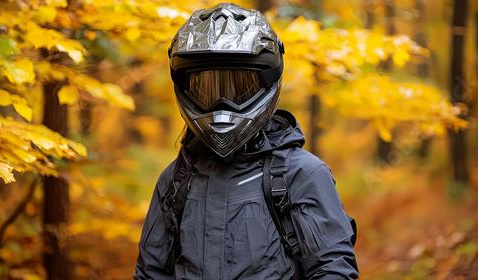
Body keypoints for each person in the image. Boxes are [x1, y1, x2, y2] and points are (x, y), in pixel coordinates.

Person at [134, 3, 359, 279]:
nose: (222, 104)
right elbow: (151, 274)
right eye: (207, 89)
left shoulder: (301, 175)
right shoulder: (176, 181)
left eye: (239, 88)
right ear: (185, 88)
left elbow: (333, 271)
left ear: (267, 82)